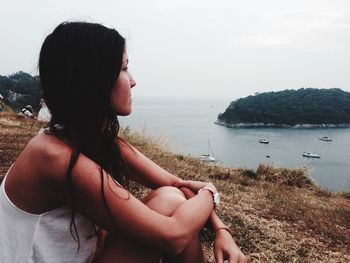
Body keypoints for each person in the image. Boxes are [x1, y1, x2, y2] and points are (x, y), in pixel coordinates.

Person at [0, 22, 247, 263]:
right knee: (170, 206)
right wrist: (211, 192)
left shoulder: (92, 140)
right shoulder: (54, 158)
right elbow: (173, 236)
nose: (132, 81)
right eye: (124, 69)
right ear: (94, 80)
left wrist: (221, 229)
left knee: (171, 196)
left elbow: (177, 184)